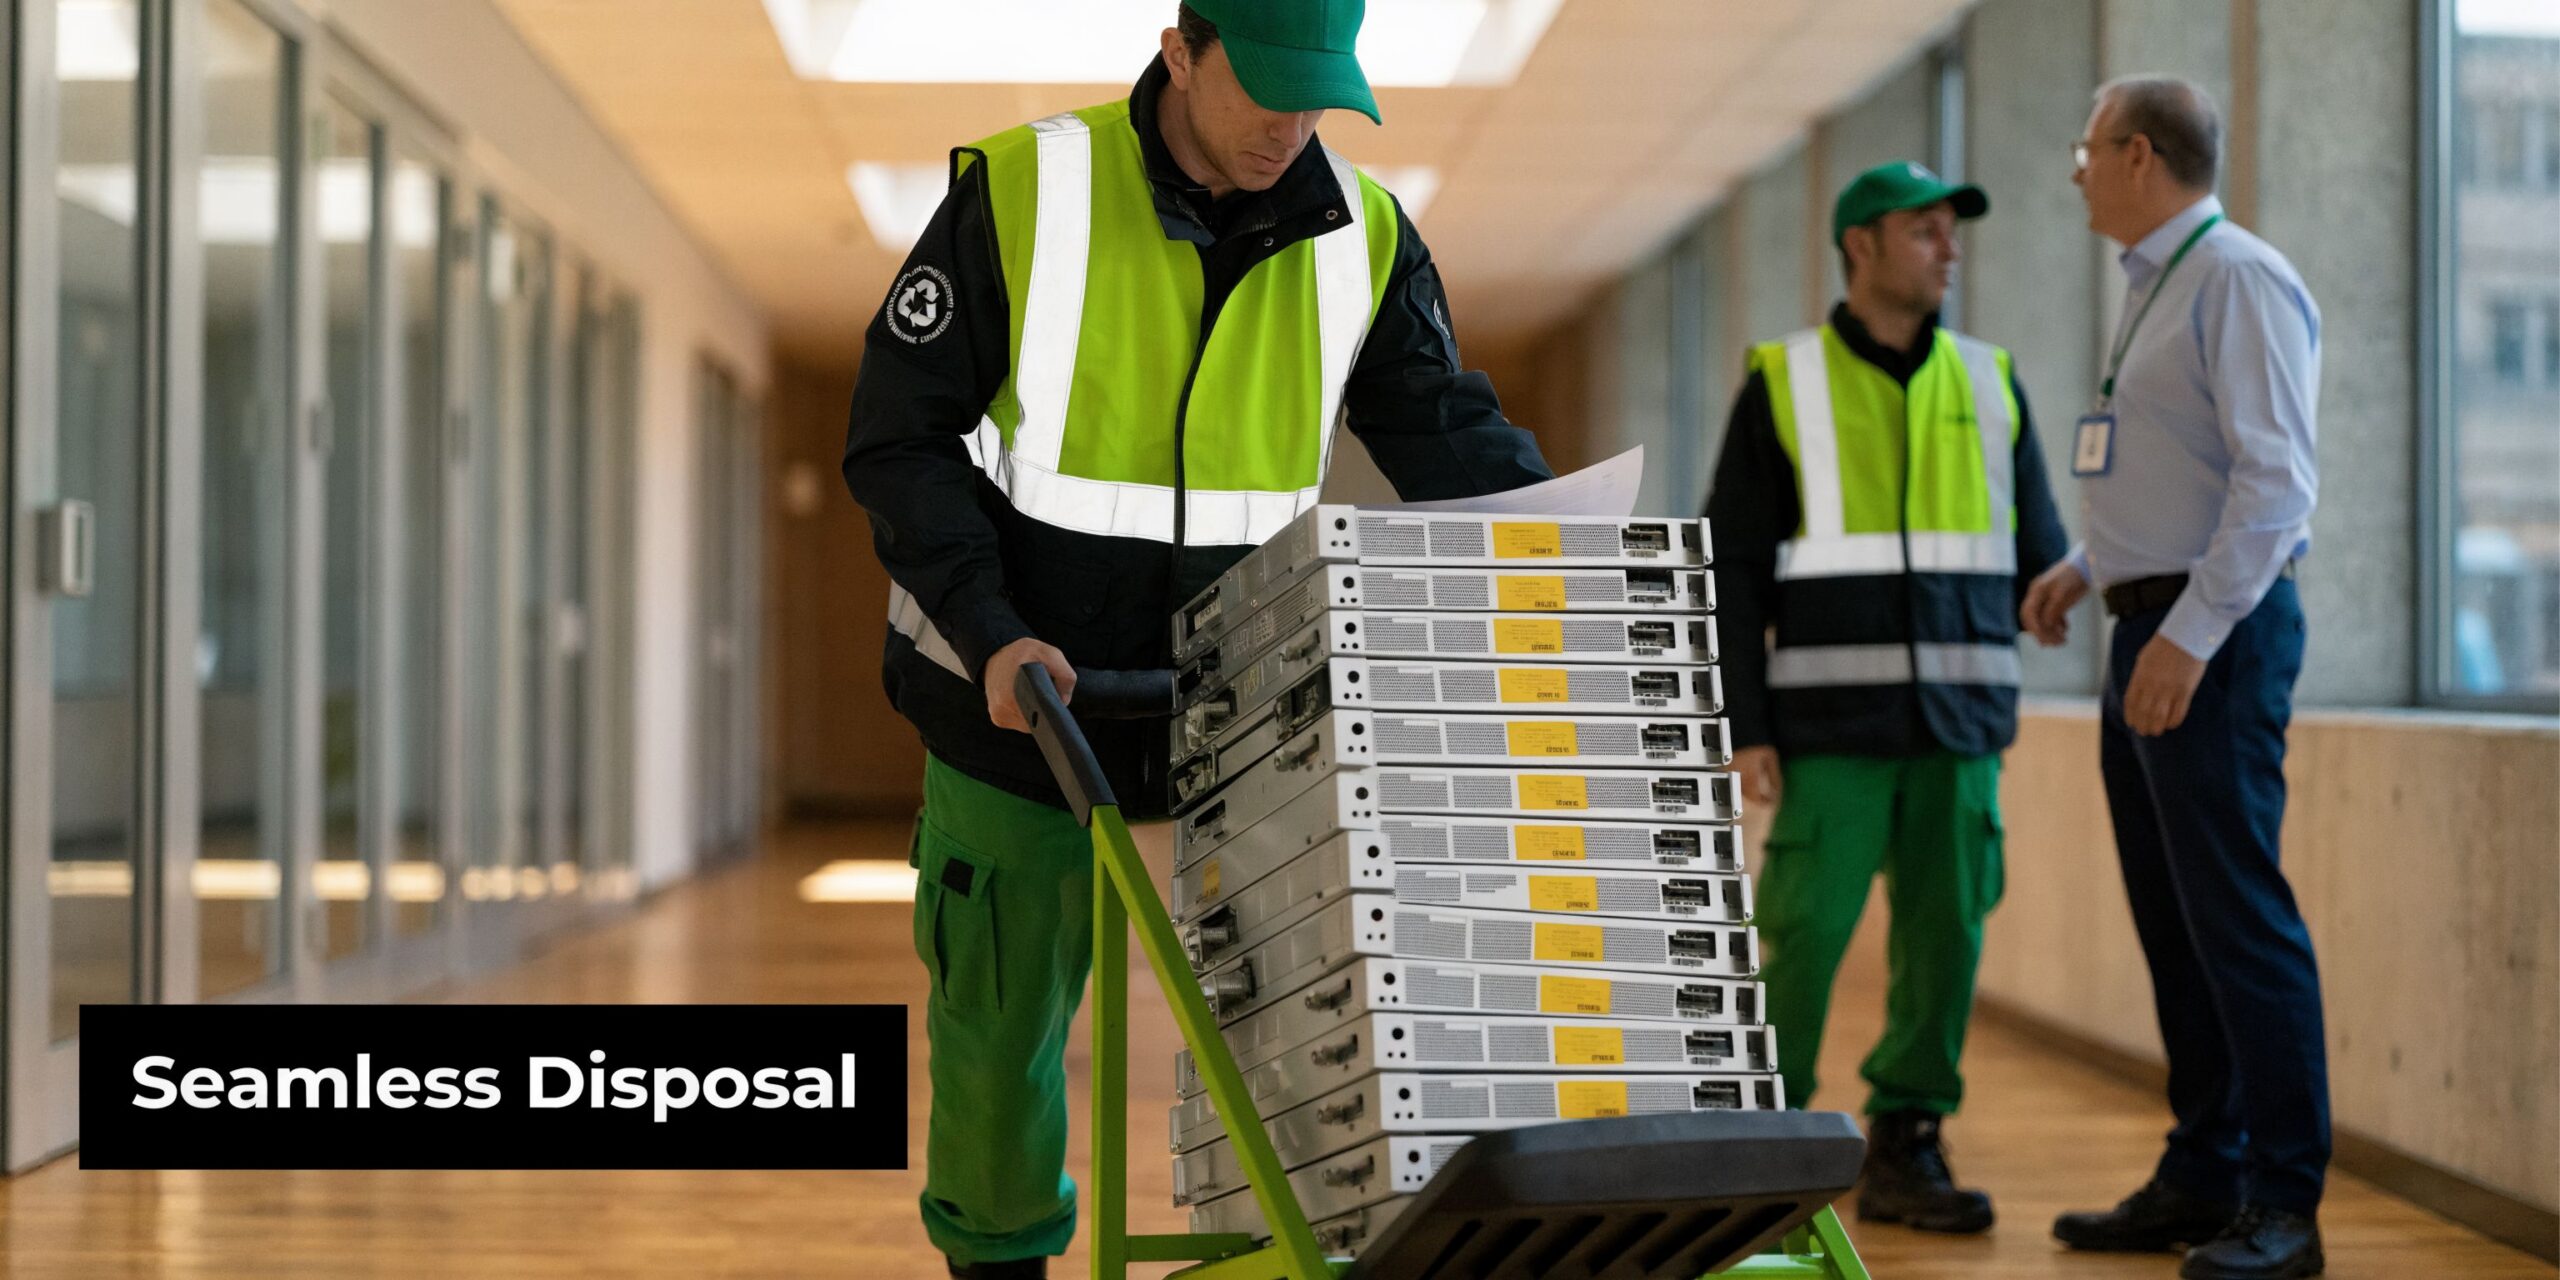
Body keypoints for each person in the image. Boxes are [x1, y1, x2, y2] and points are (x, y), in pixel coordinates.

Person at [838, 3, 1552, 1275]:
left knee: (1292, 1028)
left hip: (1244, 698)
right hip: (1019, 695)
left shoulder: (1364, 233)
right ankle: (998, 1261)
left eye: (1316, 98)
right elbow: (901, 436)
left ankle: (1262, 1257)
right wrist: (992, 631)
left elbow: (1442, 421)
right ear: (1181, 49)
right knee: (1001, 1023)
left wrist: (1565, 554)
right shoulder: (1024, 188)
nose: (1291, 129)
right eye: (1263, 93)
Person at [1705, 162, 2068, 1235]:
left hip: (1958, 734)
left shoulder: (1989, 378)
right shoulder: (1783, 381)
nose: (1947, 248)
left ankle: (1907, 1140)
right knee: (1803, 933)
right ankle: (1758, 1146)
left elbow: (2039, 549)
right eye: (1923, 230)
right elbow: (1730, 569)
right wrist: (1745, 723)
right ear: (1859, 246)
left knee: (1946, 936)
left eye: (1951, 231)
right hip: (1827, 735)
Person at [2023, 75, 2328, 1280]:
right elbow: (2185, 472)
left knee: (2239, 921)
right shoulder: (2159, 285)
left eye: (2084, 149)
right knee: (2176, 921)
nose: (2076, 169)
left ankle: (2283, 1201)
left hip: (2214, 638)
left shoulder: (2237, 275)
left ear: (2136, 153)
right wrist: (2087, 564)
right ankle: (2202, 1170)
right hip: (2145, 623)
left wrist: (2189, 638)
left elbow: (2276, 488)